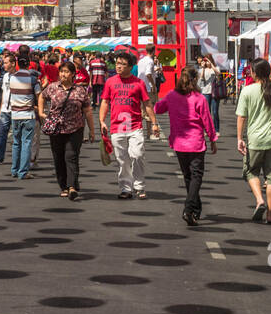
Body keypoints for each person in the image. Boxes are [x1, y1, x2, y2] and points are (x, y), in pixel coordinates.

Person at [155, 64, 218, 226]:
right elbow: (207, 121)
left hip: (179, 143)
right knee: (196, 176)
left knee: (188, 176)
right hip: (196, 142)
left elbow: (158, 109)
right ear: (195, 79)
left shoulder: (171, 95)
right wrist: (212, 139)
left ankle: (195, 208)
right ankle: (189, 209)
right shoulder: (199, 98)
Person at [236, 57, 271, 226]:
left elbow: (241, 117)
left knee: (251, 171)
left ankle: (260, 200)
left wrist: (239, 138)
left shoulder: (247, 91)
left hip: (255, 140)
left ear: (253, 73)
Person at [100, 50, 159, 200]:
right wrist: (101, 121)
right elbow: (105, 102)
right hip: (116, 127)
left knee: (137, 155)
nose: (118, 66)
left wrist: (154, 123)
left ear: (130, 66)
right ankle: (126, 188)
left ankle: (139, 186)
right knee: (122, 159)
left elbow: (147, 103)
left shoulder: (138, 83)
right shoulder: (110, 82)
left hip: (135, 126)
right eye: (117, 63)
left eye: (122, 64)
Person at [38, 60, 96, 200]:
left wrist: (92, 131)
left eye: (66, 72)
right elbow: (41, 96)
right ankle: (63, 185)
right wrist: (41, 112)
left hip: (75, 128)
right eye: (62, 71)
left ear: (73, 74)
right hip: (56, 129)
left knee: (71, 157)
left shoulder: (80, 90)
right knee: (58, 158)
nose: (63, 74)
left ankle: (71, 187)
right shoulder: (52, 87)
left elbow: (88, 111)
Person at [7, 51, 41, 180]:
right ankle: (23, 172)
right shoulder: (33, 80)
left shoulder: (12, 78)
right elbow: (39, 96)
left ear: (17, 64)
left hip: (15, 114)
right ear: (28, 65)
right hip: (28, 114)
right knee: (26, 142)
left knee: (16, 143)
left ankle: (14, 170)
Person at [197, 54, 221, 132]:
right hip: (205, 92)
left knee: (215, 112)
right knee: (207, 113)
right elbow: (201, 80)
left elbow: (218, 73)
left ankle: (216, 130)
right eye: (205, 61)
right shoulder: (201, 70)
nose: (206, 62)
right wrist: (203, 68)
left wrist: (211, 63)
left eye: (207, 61)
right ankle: (207, 130)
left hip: (215, 92)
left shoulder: (216, 68)